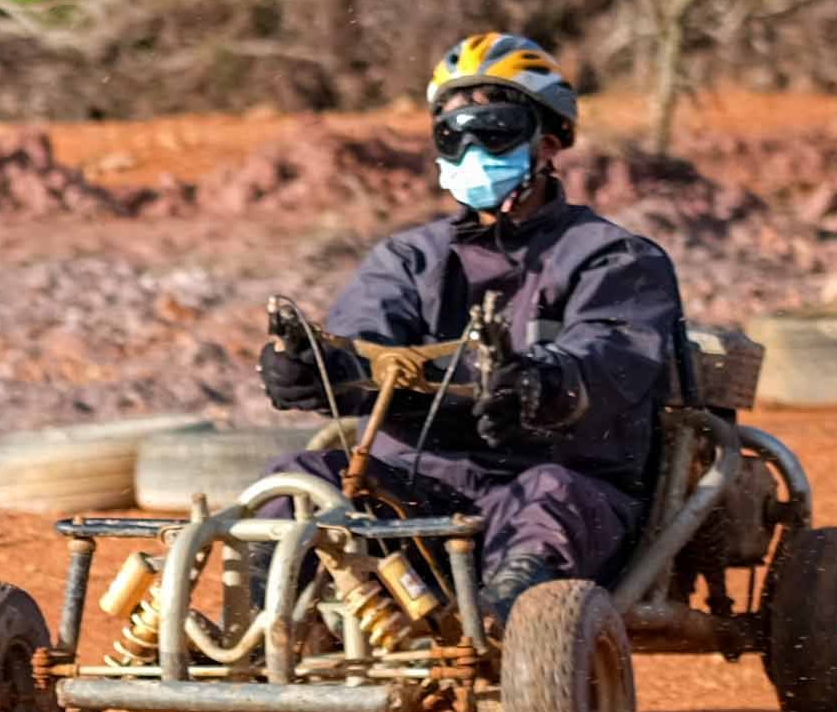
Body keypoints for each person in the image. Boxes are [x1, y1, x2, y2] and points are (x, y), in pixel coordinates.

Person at [260, 31, 685, 621]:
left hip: (552, 487)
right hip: (413, 493)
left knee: (549, 505)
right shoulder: (408, 260)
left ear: (550, 138)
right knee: (296, 483)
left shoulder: (615, 259)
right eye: (454, 134)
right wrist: (315, 369)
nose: (473, 148)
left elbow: (610, 356)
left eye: (496, 130)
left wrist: (539, 382)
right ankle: (263, 638)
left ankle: (502, 642)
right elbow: (365, 345)